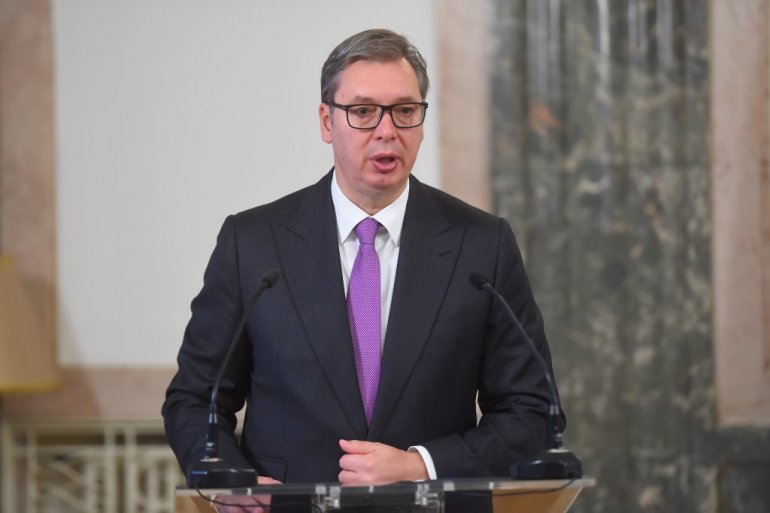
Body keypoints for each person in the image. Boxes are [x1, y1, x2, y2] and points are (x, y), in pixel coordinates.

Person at [162, 27, 564, 496]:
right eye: (363, 112)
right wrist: (233, 482)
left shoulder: (482, 245)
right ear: (327, 122)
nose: (387, 131)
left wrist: (421, 465)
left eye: (405, 111)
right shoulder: (252, 244)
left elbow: (531, 412)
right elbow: (195, 399)